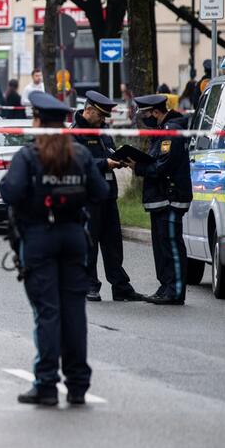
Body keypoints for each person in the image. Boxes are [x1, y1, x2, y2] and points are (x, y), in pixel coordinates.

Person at [0, 92, 108, 406]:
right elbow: (100, 192)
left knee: (47, 312)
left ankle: (46, 383)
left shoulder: (29, 155)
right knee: (74, 310)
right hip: (74, 237)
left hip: (38, 238)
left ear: (38, 122)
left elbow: (10, 192)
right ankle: (77, 384)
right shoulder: (81, 155)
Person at [70, 91, 146, 302]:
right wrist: (105, 163)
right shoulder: (74, 134)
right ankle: (89, 285)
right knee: (89, 244)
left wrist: (120, 158)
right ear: (89, 110)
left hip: (108, 194)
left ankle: (120, 286)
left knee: (113, 244)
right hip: (87, 198)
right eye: (100, 115)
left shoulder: (102, 132)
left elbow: (111, 151)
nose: (103, 120)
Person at [127, 94, 192, 305]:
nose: (144, 119)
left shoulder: (170, 131)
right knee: (161, 245)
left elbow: (163, 165)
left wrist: (139, 167)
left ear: (155, 112)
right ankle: (166, 286)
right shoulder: (162, 131)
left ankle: (175, 290)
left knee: (171, 245)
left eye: (145, 115)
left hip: (170, 197)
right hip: (161, 198)